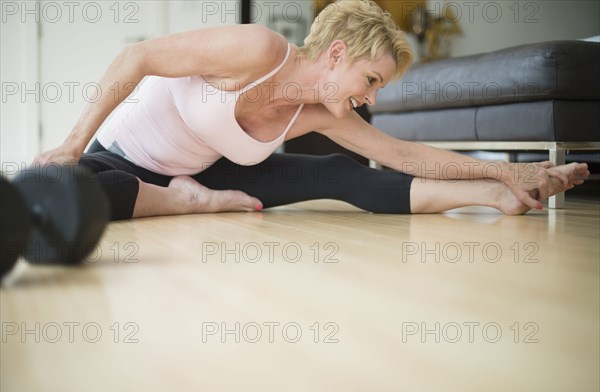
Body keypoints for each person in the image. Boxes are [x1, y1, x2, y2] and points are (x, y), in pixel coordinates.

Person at [33, 0, 589, 220]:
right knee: (73, 193)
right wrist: (73, 146)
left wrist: (505, 171)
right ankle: (189, 205)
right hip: (122, 159)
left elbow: (401, 154)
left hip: (208, 171)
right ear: (338, 54)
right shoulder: (256, 51)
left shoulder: (324, 113)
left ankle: (493, 198)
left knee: (341, 172)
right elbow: (137, 56)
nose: (370, 98)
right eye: (370, 80)